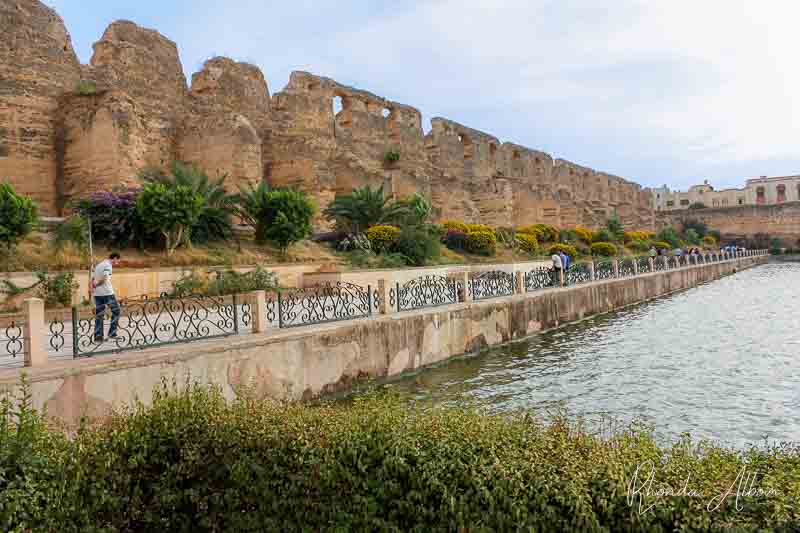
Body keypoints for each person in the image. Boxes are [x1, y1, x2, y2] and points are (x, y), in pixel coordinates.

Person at [93, 252, 122, 342]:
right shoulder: (108, 265)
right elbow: (105, 278)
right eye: (117, 260)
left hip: (97, 294)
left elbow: (93, 279)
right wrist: (98, 284)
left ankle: (98, 337)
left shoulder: (99, 265)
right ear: (114, 258)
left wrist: (94, 287)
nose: (117, 263)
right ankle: (112, 333)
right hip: (107, 293)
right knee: (116, 311)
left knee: (99, 314)